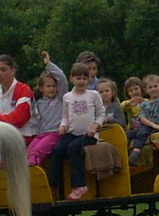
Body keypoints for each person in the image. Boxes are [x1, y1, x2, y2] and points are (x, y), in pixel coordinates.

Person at [48, 61, 105, 201]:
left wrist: (94, 127)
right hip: (72, 133)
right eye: (78, 78)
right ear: (71, 78)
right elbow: (65, 118)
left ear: (89, 79)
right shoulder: (67, 97)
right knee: (56, 150)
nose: (81, 81)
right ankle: (53, 185)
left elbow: (101, 113)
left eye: (85, 78)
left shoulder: (93, 95)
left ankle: (80, 185)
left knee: (73, 149)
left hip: (88, 135)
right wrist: (62, 126)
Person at [25, 52, 70, 166]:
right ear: (41, 88)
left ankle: (34, 169)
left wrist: (49, 64)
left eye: (54, 86)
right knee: (27, 153)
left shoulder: (61, 98)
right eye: (48, 86)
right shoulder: (38, 102)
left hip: (55, 133)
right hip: (41, 133)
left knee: (36, 153)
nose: (52, 89)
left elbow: (62, 79)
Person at [128, 73, 159, 169]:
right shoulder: (145, 104)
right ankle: (122, 156)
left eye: (155, 86)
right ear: (146, 90)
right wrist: (152, 125)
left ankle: (135, 154)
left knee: (142, 132)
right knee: (129, 133)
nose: (153, 89)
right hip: (149, 125)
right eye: (150, 87)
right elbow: (142, 118)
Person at [0, 54, 33, 132]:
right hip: (2, 136)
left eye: (3, 70)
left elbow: (19, 119)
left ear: (13, 70)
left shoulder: (24, 91)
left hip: (23, 136)